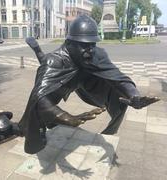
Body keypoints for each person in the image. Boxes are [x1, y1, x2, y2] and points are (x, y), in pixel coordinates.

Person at [17, 15, 159, 154]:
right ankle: (38, 129)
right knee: (40, 107)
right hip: (61, 84)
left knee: (119, 95)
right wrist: (65, 117)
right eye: (84, 45)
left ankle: (108, 133)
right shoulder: (54, 61)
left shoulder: (95, 54)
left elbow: (118, 77)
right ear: (70, 43)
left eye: (92, 44)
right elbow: (40, 99)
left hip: (84, 82)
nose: (90, 50)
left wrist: (134, 95)